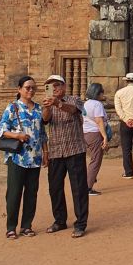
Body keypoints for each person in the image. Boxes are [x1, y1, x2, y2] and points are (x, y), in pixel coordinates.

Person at [0, 76, 46, 240]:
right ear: (19, 89)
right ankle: (11, 227)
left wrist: (45, 154)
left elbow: (43, 134)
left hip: (35, 158)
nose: (30, 90)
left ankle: (26, 225)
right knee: (14, 192)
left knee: (32, 193)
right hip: (17, 157)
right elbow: (2, 130)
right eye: (27, 88)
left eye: (33, 88)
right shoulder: (13, 108)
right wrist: (17, 135)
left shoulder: (39, 109)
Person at [42, 75, 89, 238]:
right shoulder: (47, 103)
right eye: (49, 86)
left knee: (79, 188)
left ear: (64, 86)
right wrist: (48, 106)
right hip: (56, 151)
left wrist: (58, 104)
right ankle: (59, 220)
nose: (54, 89)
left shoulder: (74, 99)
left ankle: (81, 223)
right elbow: (45, 120)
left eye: (56, 85)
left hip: (74, 149)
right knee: (55, 188)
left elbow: (74, 110)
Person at [83, 83, 109, 196]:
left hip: (86, 133)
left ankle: (90, 180)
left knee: (93, 159)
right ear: (98, 93)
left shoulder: (86, 103)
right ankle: (88, 187)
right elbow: (99, 121)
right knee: (96, 160)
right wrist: (105, 137)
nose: (103, 94)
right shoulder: (97, 104)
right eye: (102, 92)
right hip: (95, 133)